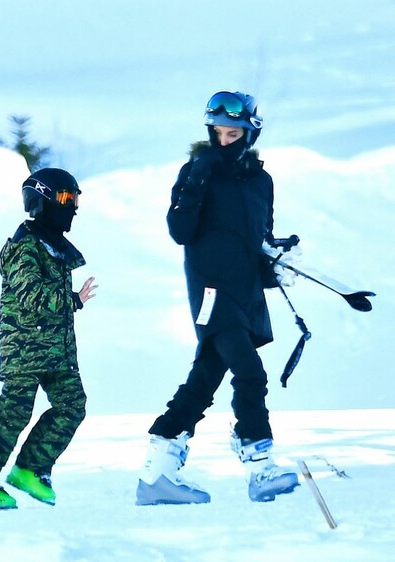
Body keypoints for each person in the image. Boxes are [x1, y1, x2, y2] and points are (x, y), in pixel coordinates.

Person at [136, 91, 300, 505]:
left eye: (234, 133)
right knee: (250, 372)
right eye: (219, 132)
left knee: (205, 378)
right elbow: (180, 231)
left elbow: (257, 240)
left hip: (244, 295)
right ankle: (260, 467)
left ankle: (157, 475)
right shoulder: (197, 170)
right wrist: (196, 179)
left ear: (249, 134)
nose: (225, 141)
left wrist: (277, 253)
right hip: (211, 292)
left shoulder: (263, 181)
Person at [0, 168, 97, 510]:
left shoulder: (54, 248)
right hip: (24, 349)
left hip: (55, 351)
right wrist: (72, 299)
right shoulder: (25, 248)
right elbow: (31, 294)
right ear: (43, 200)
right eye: (66, 198)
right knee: (14, 412)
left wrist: (71, 301)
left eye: (75, 199)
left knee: (72, 405)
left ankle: (30, 469)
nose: (73, 208)